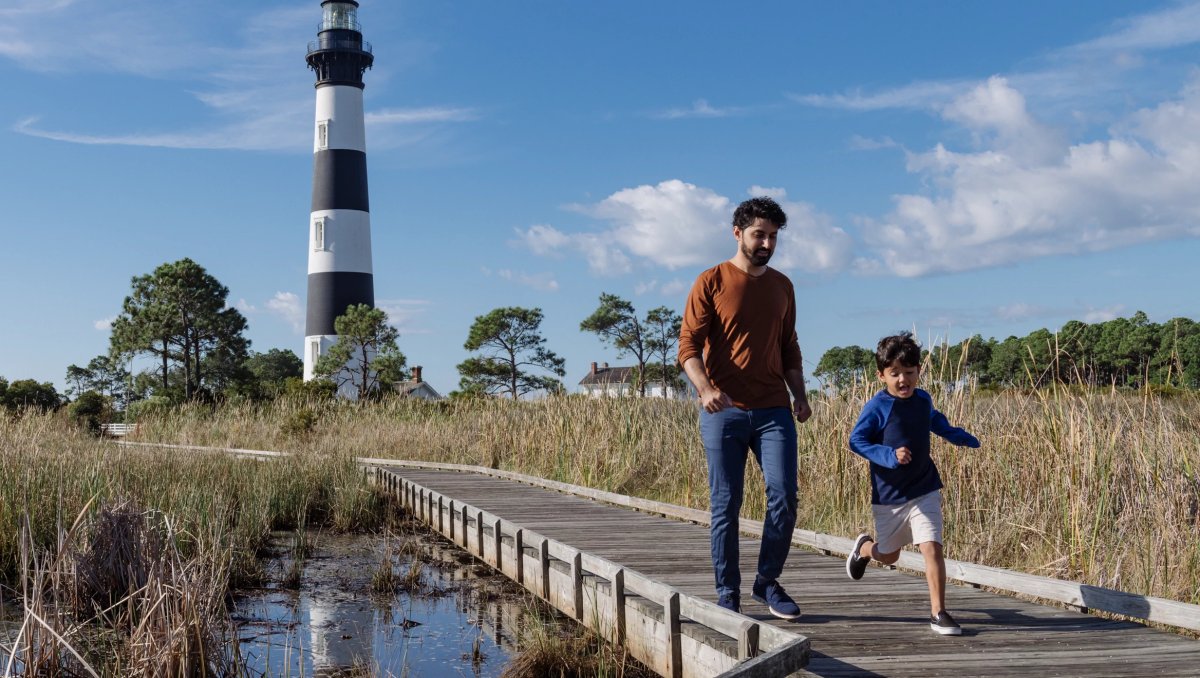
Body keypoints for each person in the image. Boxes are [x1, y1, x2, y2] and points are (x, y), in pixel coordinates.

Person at [678, 196, 813, 619]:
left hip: (774, 409)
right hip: (724, 412)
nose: (767, 243)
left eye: (773, 237)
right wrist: (704, 389)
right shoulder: (711, 281)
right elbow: (688, 346)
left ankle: (767, 582)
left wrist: (801, 395)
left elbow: (789, 346)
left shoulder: (783, 286)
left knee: (784, 496)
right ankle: (728, 594)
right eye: (760, 234)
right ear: (737, 233)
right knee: (726, 504)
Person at [845, 332, 981, 635]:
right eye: (895, 374)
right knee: (890, 555)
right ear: (881, 375)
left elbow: (933, 419)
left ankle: (938, 613)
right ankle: (864, 549)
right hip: (889, 496)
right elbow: (856, 440)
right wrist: (888, 455)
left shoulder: (922, 399)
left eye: (909, 372)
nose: (903, 380)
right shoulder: (878, 407)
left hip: (924, 487)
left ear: (919, 371)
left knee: (931, 546)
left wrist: (955, 435)